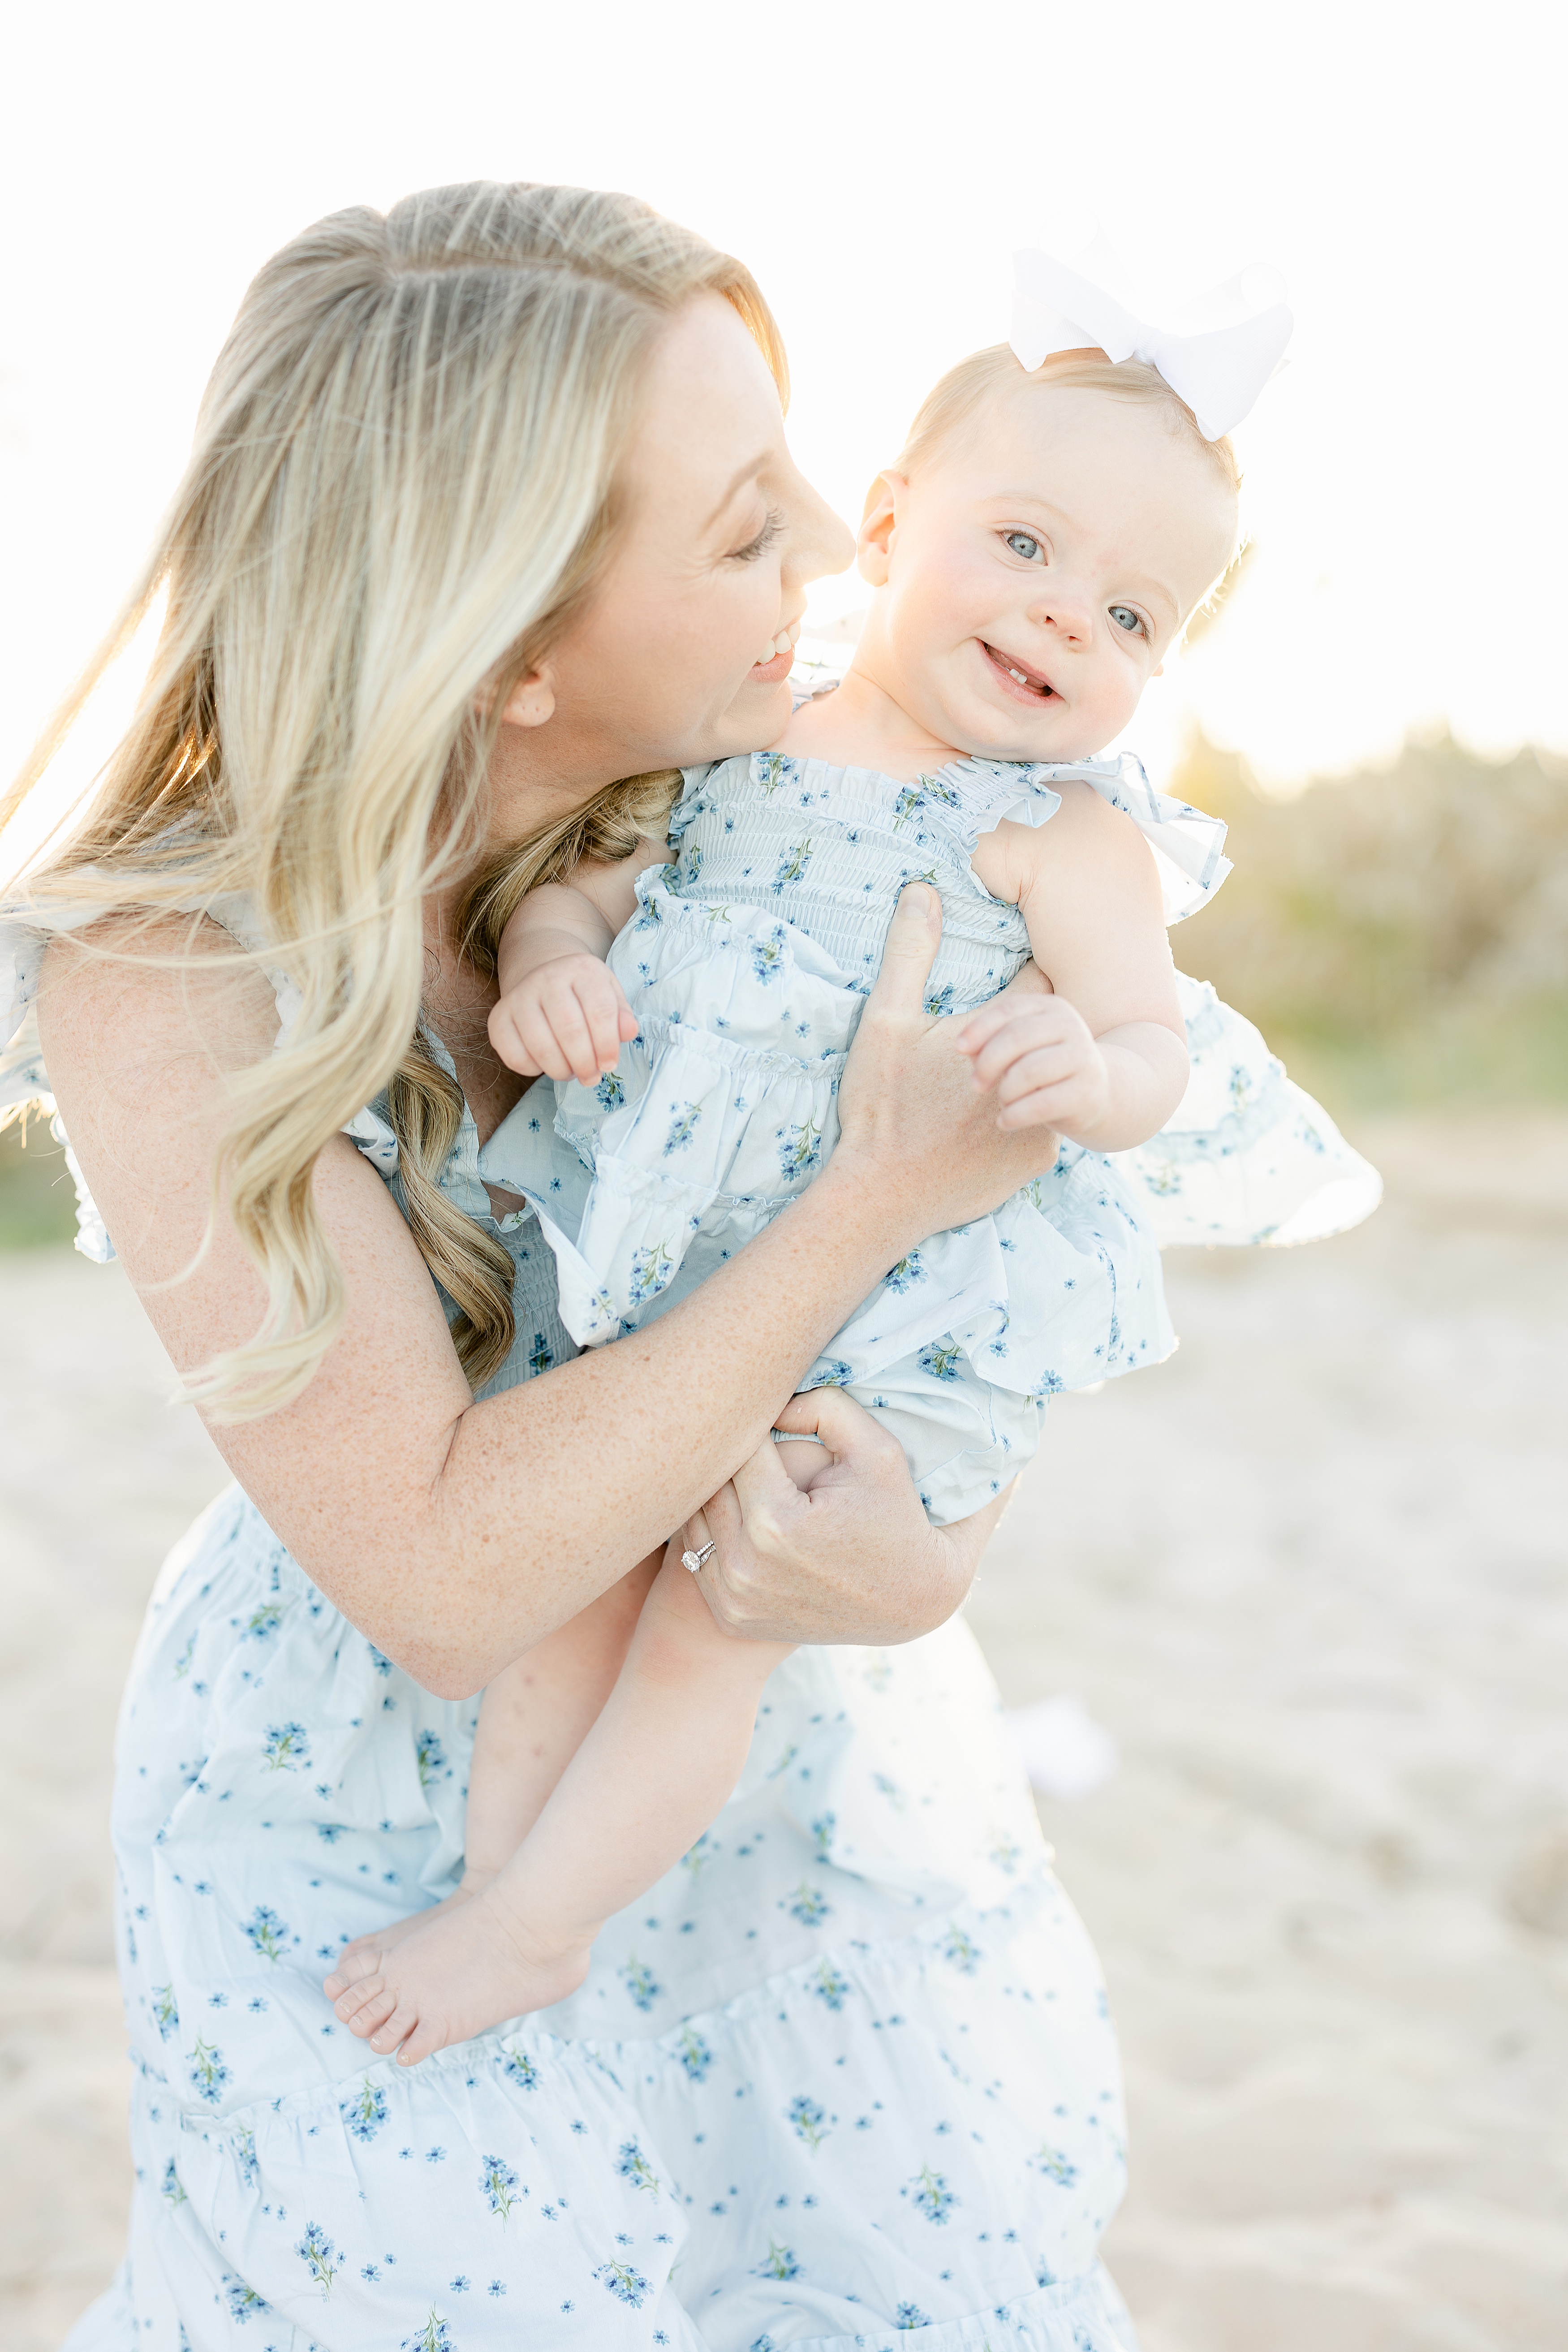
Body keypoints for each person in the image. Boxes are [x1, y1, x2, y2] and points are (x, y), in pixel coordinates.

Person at [1, 183, 1149, 2350]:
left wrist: (918, 1561)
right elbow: (438, 1572)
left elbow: (990, 1290)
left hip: (748, 1728)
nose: (831, 541)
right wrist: (857, 1203)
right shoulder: (173, 974)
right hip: (388, 1811)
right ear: (513, 641)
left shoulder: (753, 810)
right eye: (739, 523)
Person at [323, 320, 1379, 2069]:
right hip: (663, 1266)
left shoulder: (1060, 836)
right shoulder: (741, 734)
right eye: (1024, 543)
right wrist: (549, 965)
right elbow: (574, 887)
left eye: (1131, 614)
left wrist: (1091, 1080)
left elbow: (1145, 1043)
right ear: (885, 517)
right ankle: (501, 1876)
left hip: (884, 1316)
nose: (1063, 616)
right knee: (573, 1565)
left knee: (717, 1612)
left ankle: (536, 1924)